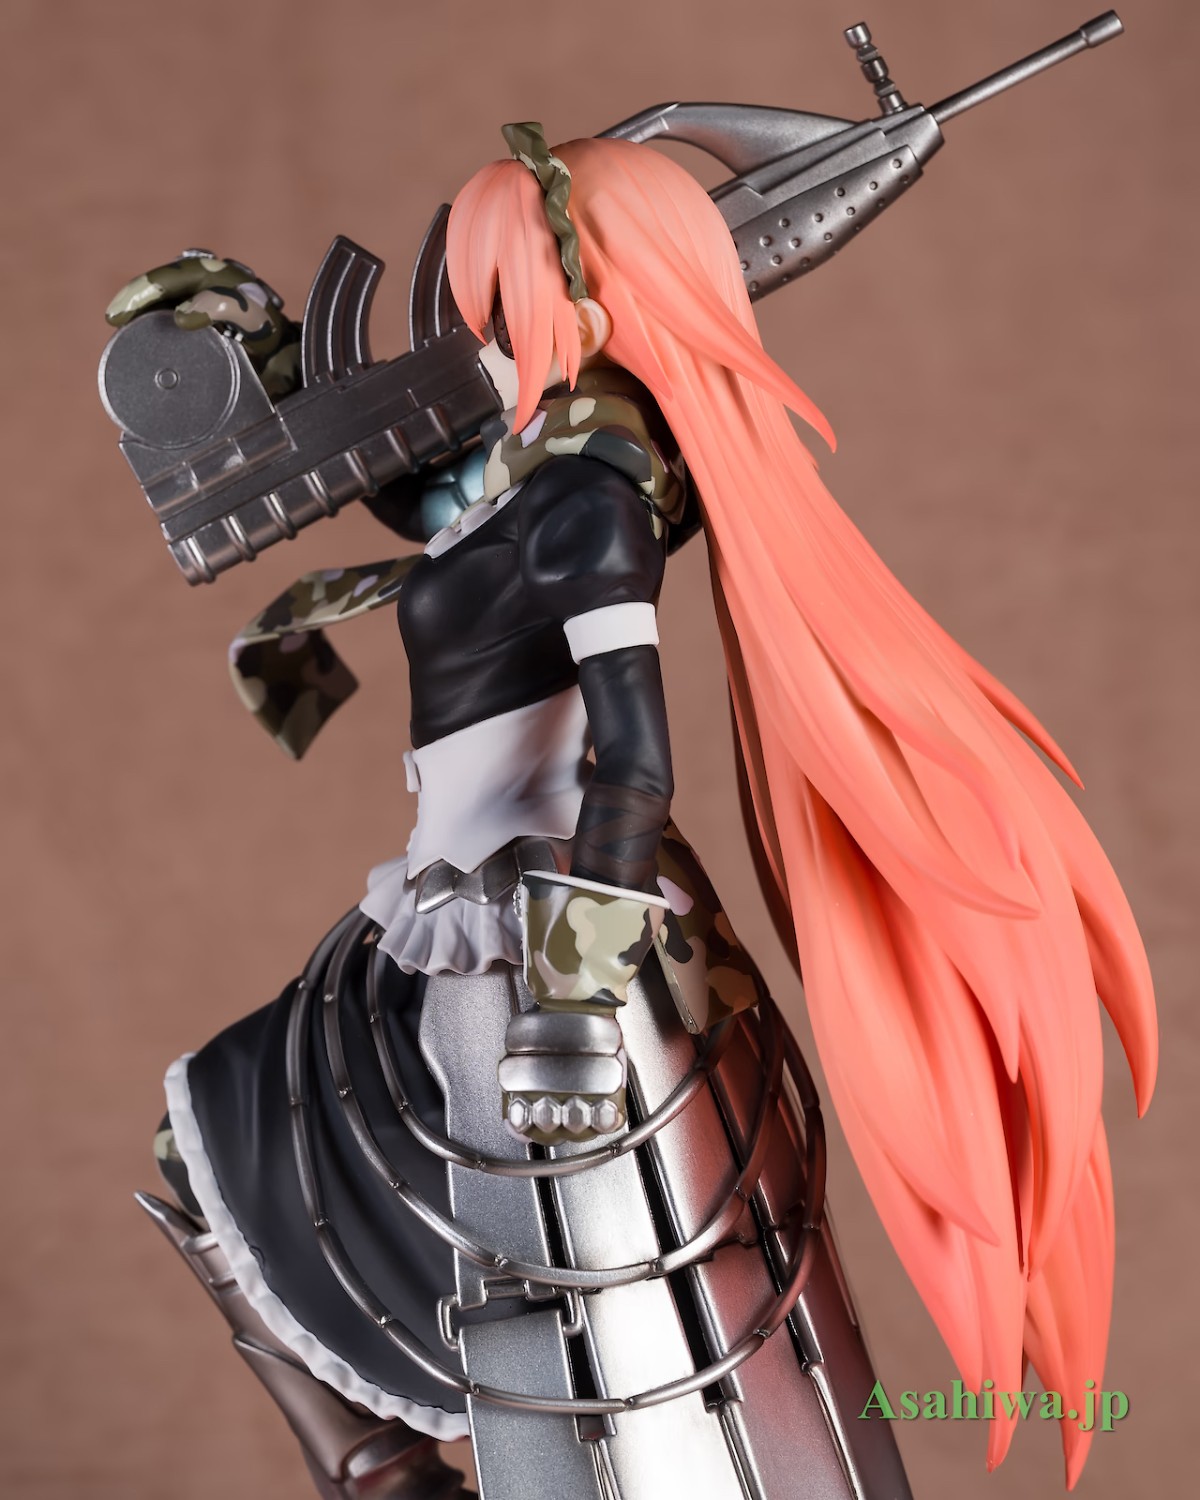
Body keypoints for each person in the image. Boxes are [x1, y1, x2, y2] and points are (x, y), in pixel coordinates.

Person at [135, 125, 1156, 1499]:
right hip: (465, 908)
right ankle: (386, 1472)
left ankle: (395, 1473)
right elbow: (426, 501)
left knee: (616, 1331)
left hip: (545, 931)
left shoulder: (587, 503)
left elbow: (635, 761)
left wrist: (570, 993)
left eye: (491, 295)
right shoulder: (539, 468)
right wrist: (252, 364)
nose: (471, 329)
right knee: (223, 1144)